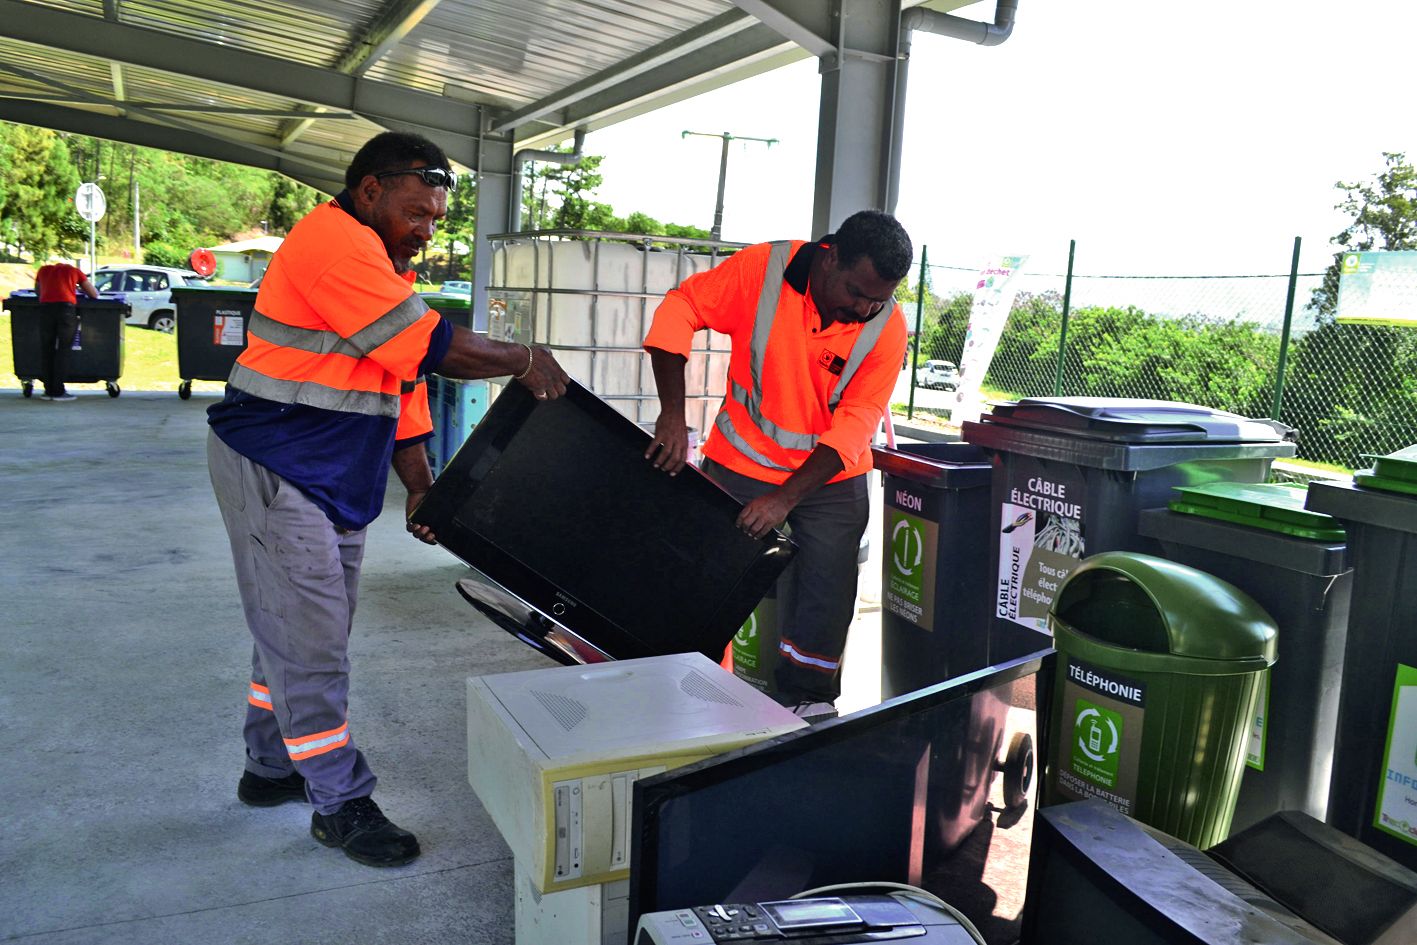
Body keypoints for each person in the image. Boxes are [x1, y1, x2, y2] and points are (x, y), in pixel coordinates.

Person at [207, 131, 569, 868]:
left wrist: (421, 485)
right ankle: (339, 800)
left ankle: (270, 768)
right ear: (369, 190)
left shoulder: (380, 264)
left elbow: (397, 383)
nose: (425, 229)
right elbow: (433, 349)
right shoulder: (335, 246)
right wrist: (524, 359)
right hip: (278, 462)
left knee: (300, 628)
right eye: (415, 211)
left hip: (330, 471)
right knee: (311, 642)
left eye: (436, 218)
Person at [643, 210, 912, 723]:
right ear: (830, 258)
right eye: (858, 292)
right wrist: (673, 417)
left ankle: (808, 699)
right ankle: (689, 676)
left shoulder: (887, 329)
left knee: (827, 586)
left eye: (880, 297)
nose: (866, 307)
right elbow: (681, 308)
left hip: (830, 475)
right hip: (740, 455)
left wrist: (785, 498)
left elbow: (856, 425)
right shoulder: (764, 270)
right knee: (705, 570)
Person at [33, 261, 99, 401]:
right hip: (66, 311)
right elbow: (94, 294)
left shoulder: (43, 270)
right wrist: (77, 290)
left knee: (47, 348)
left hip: (45, 310)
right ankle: (58, 390)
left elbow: (38, 291)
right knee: (64, 349)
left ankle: (48, 389)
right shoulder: (73, 271)